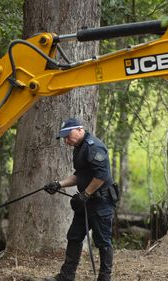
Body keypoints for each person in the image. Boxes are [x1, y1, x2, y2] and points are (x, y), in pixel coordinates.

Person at [44, 118, 118, 281]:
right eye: (64, 137)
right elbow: (80, 175)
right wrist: (59, 184)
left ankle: (104, 278)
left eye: (67, 136)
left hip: (101, 202)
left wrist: (85, 194)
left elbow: (101, 176)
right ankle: (66, 276)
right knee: (74, 236)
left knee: (103, 242)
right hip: (86, 202)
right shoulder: (79, 148)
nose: (66, 140)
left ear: (79, 129)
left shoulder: (94, 147)